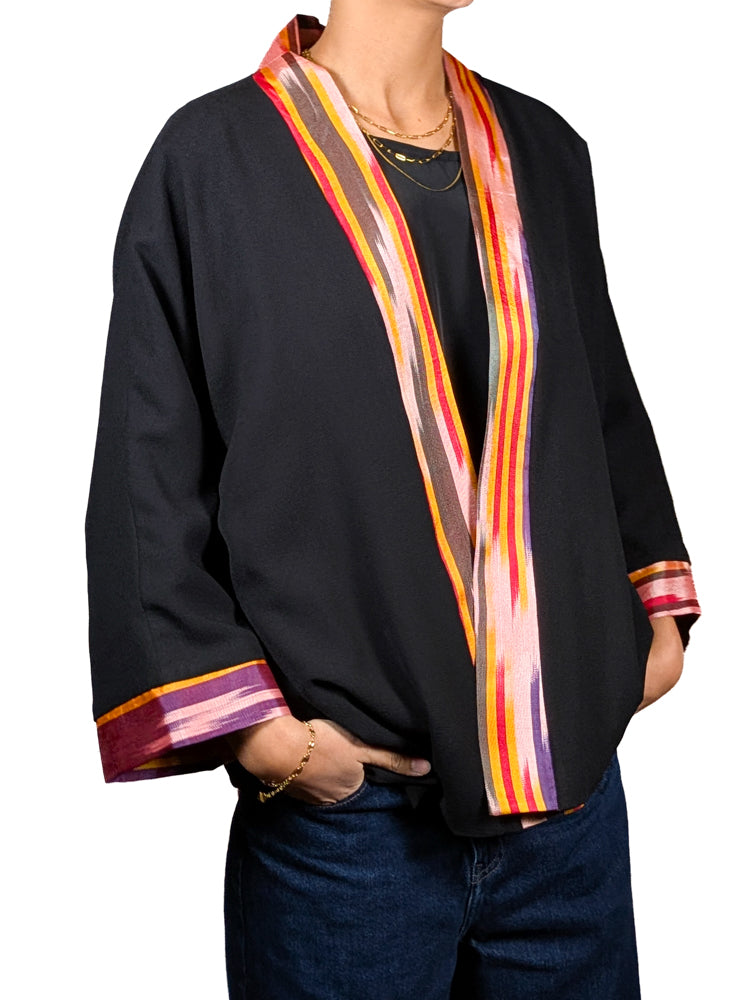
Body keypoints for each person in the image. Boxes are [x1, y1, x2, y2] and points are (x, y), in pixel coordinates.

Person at [85, 3, 701, 997]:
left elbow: (601, 406)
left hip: (567, 810)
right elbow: (148, 470)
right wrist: (273, 744)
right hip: (348, 830)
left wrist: (650, 625)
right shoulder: (214, 158)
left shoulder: (541, 149)